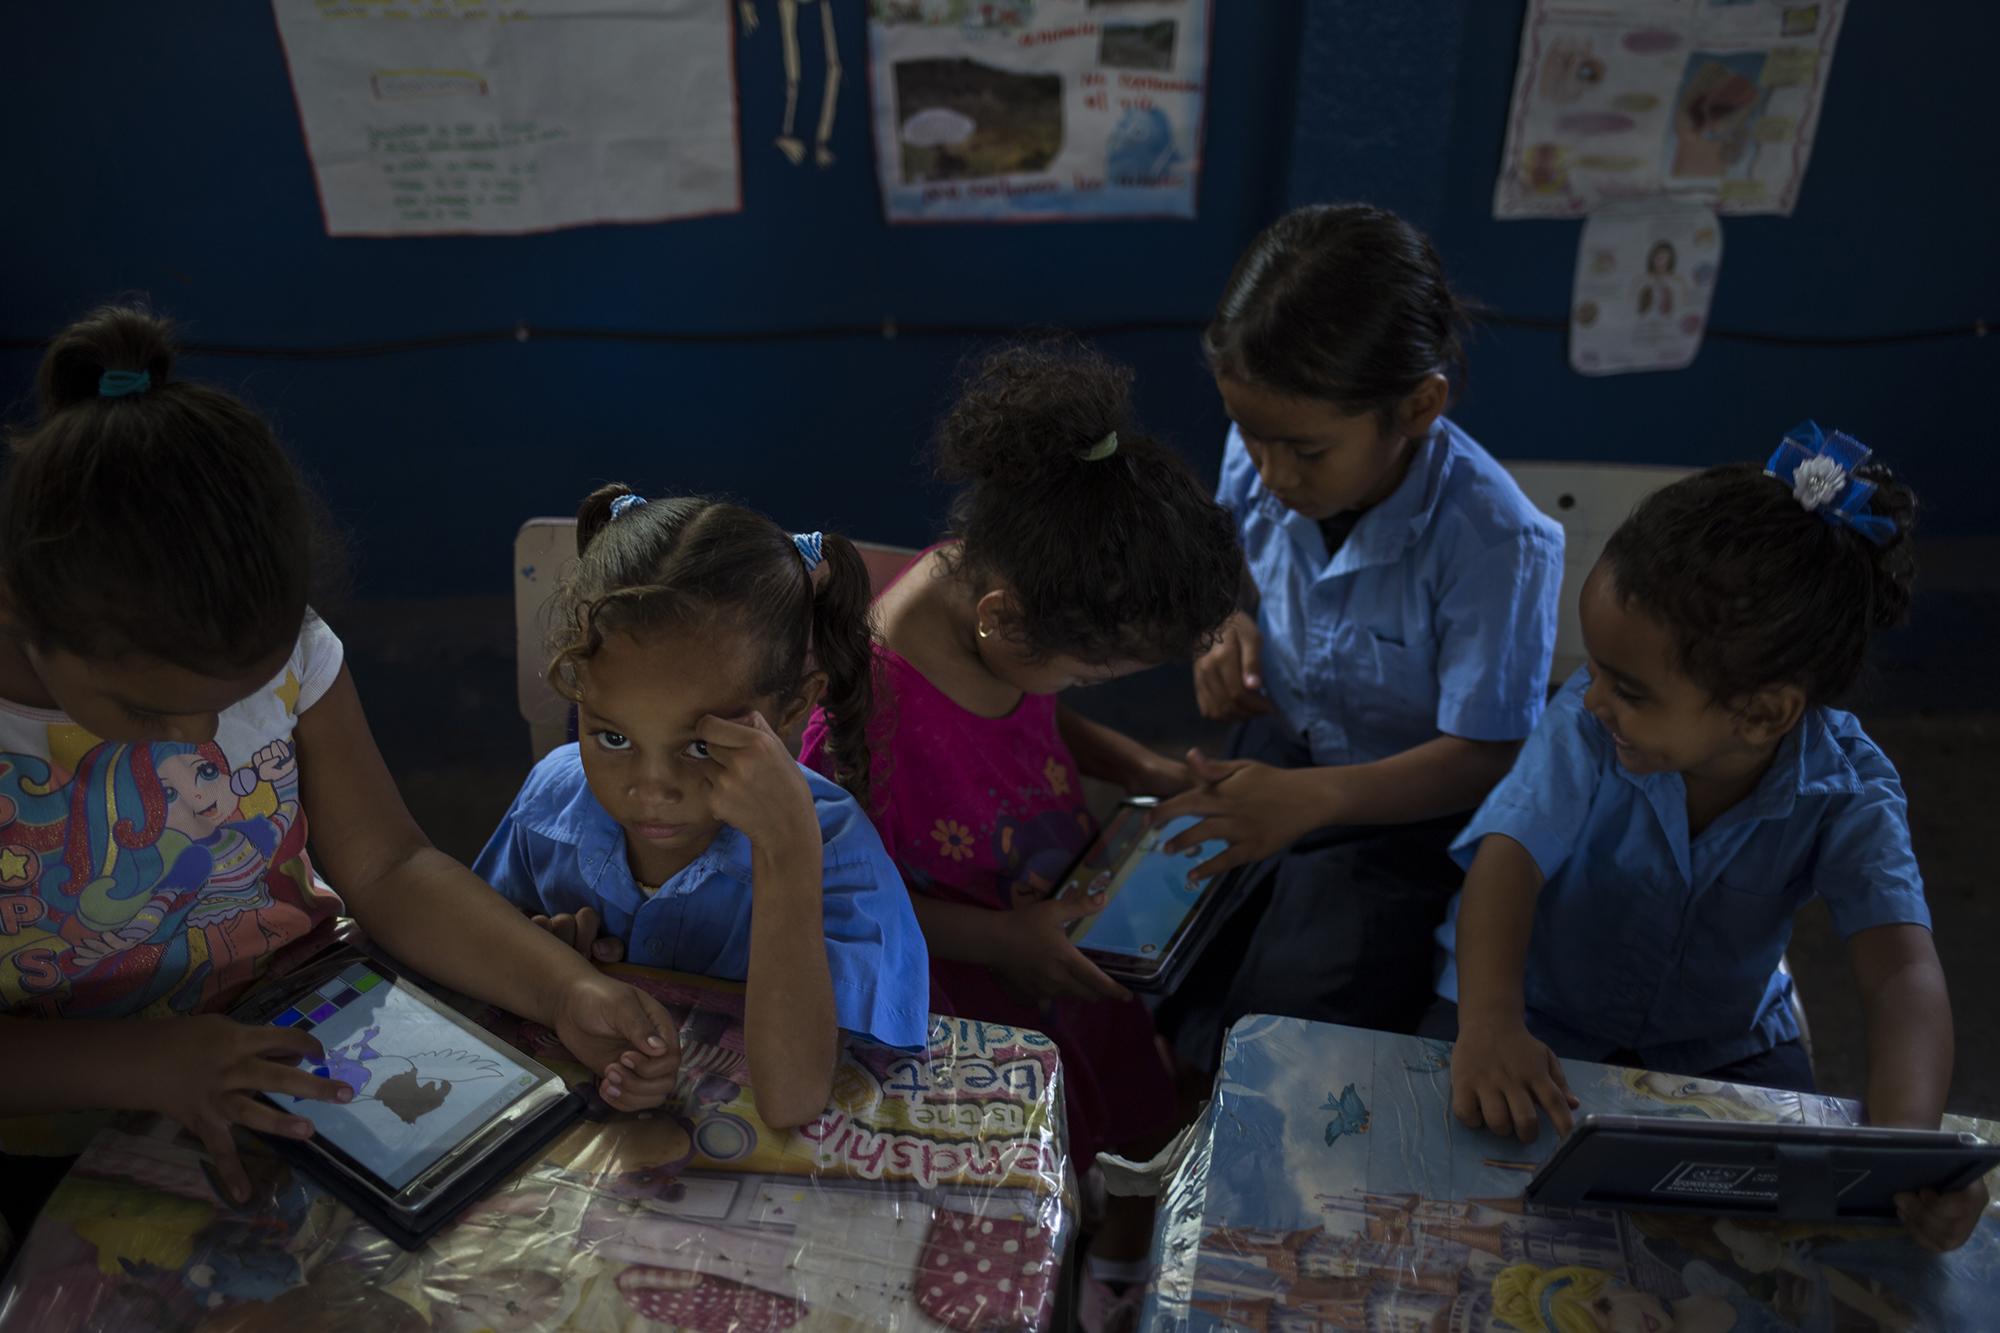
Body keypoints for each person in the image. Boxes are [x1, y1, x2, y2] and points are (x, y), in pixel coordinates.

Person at [0, 307, 675, 1232]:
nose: (203, 738)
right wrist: (146, 1065)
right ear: (27, 610)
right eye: (152, 715)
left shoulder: (274, 648)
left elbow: (390, 867)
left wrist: (566, 990)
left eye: (233, 699)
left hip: (321, 1053)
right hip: (74, 1133)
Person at [1439, 424, 1985, 1252]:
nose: (1593, 700)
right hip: (1534, 1006)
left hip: (1719, 1045)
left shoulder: (1850, 789)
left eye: (1627, 687)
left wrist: (1906, 1148)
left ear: (1763, 712)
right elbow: (1506, 861)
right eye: (1595, 671)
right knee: (1451, 1168)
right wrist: (1488, 1021)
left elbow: (1903, 970)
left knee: (1782, 1238)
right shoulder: (1588, 729)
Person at [802, 338, 1242, 1328]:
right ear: (1003, 622)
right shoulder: (860, 719)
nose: (1081, 691)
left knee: (1128, 1129)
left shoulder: (987, 590)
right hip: (971, 1007)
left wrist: (1130, 763)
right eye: (1089, 674)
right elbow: (826, 896)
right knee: (1042, 1201)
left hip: (1047, 934)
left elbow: (1034, 709)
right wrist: (1001, 941)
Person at [1157, 203, 1563, 1060]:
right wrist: (1222, 627)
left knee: (1280, 1028)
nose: (1271, 473)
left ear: (1418, 405)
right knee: (1160, 959)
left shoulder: (1501, 542)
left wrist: (1317, 802)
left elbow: (1486, 755)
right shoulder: (1267, 442)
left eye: (1306, 453)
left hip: (1409, 816)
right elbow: (1232, 561)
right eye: (1252, 438)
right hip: (1283, 745)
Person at [476, 489, 929, 1129]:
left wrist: (784, 852)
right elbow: (475, 956)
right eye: (613, 737)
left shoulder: (835, 855)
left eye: (698, 744)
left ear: (794, 712)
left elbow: (794, 1098)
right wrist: (541, 960)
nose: (652, 787)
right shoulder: (551, 801)